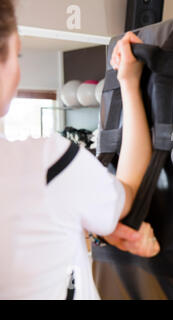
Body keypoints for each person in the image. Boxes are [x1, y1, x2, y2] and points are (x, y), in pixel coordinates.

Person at [0, 0, 159, 299]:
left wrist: (84, 222)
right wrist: (129, 81)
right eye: (17, 54)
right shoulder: (48, 162)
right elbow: (130, 189)